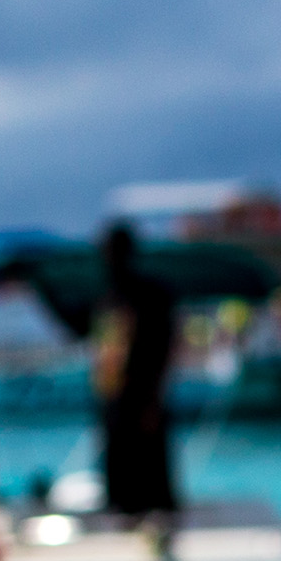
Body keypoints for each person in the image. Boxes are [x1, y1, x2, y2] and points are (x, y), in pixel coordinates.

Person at [92, 219, 181, 522]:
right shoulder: (108, 295)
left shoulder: (149, 295)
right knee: (120, 480)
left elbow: (163, 349)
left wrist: (153, 398)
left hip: (142, 397)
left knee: (151, 477)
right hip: (114, 399)